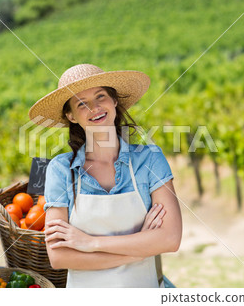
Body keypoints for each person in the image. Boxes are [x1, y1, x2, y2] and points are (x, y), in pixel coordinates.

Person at [28, 64, 182, 288]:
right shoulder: (60, 169)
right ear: (70, 116)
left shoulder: (149, 159)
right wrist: (138, 252)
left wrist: (89, 242)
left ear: (114, 101)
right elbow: (59, 257)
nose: (95, 107)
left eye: (101, 96)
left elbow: (170, 239)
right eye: (82, 103)